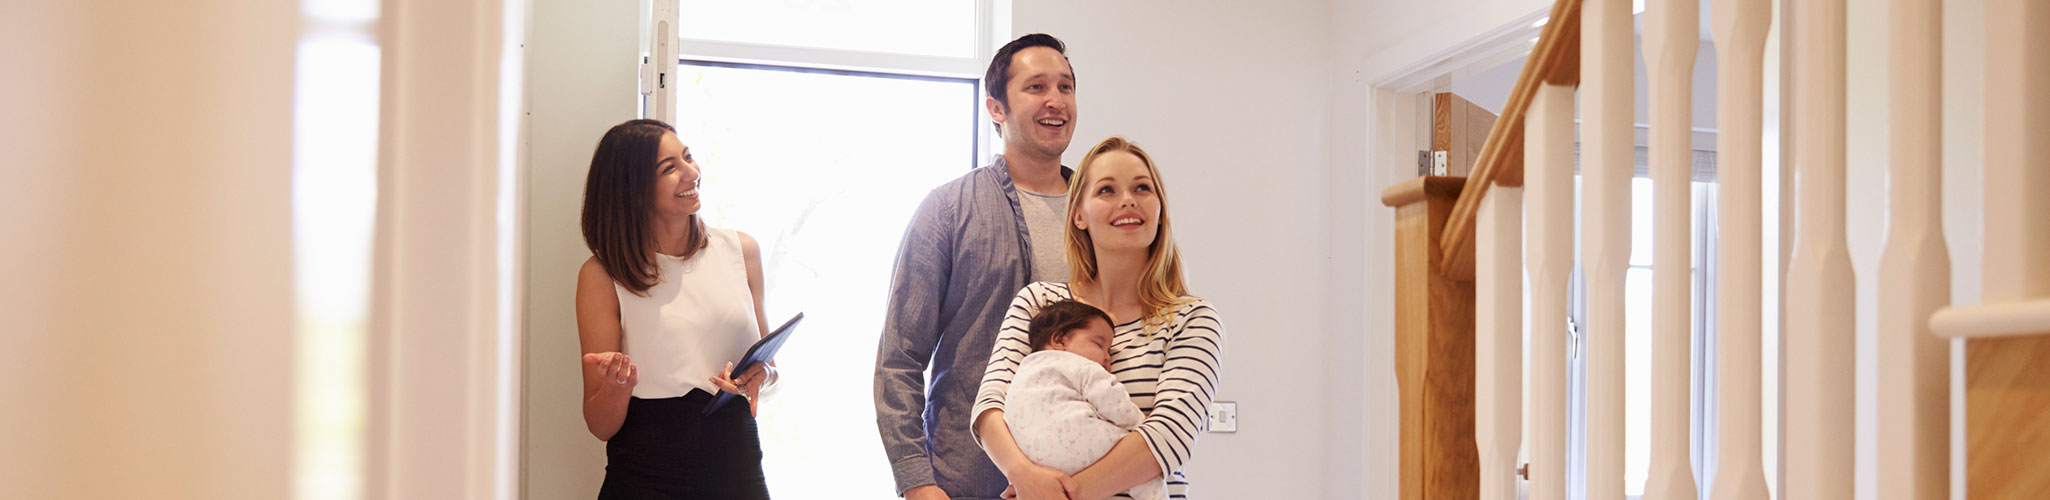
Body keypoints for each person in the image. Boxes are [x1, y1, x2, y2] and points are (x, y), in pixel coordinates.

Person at [874, 33, 1081, 500]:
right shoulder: (948, 210)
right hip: (969, 477)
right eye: (1036, 87)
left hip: (1085, 478)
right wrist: (917, 483)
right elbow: (899, 359)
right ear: (996, 108)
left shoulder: (1099, 214)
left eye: (1066, 87)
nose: (1056, 101)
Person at [973, 137, 1225, 500]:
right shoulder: (1038, 302)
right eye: (1106, 190)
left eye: (1142, 188)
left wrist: (1059, 495)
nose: (1128, 199)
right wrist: (1023, 474)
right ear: (1079, 214)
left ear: (1159, 210)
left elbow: (1171, 435)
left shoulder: (1192, 318)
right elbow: (990, 407)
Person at [574, 118, 777, 499]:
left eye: (688, 157)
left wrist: (763, 373)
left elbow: (769, 362)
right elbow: (599, 424)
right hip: (645, 473)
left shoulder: (741, 251)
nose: (691, 172)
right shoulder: (602, 275)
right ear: (632, 189)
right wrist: (618, 387)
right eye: (669, 168)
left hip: (738, 465)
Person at [1004, 300, 1164, 500]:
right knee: (1142, 460)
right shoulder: (1080, 365)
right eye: (1099, 344)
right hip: (1080, 443)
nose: (1107, 358)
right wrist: (1140, 421)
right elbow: (1112, 400)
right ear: (1060, 341)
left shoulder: (1022, 372)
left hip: (1035, 459)